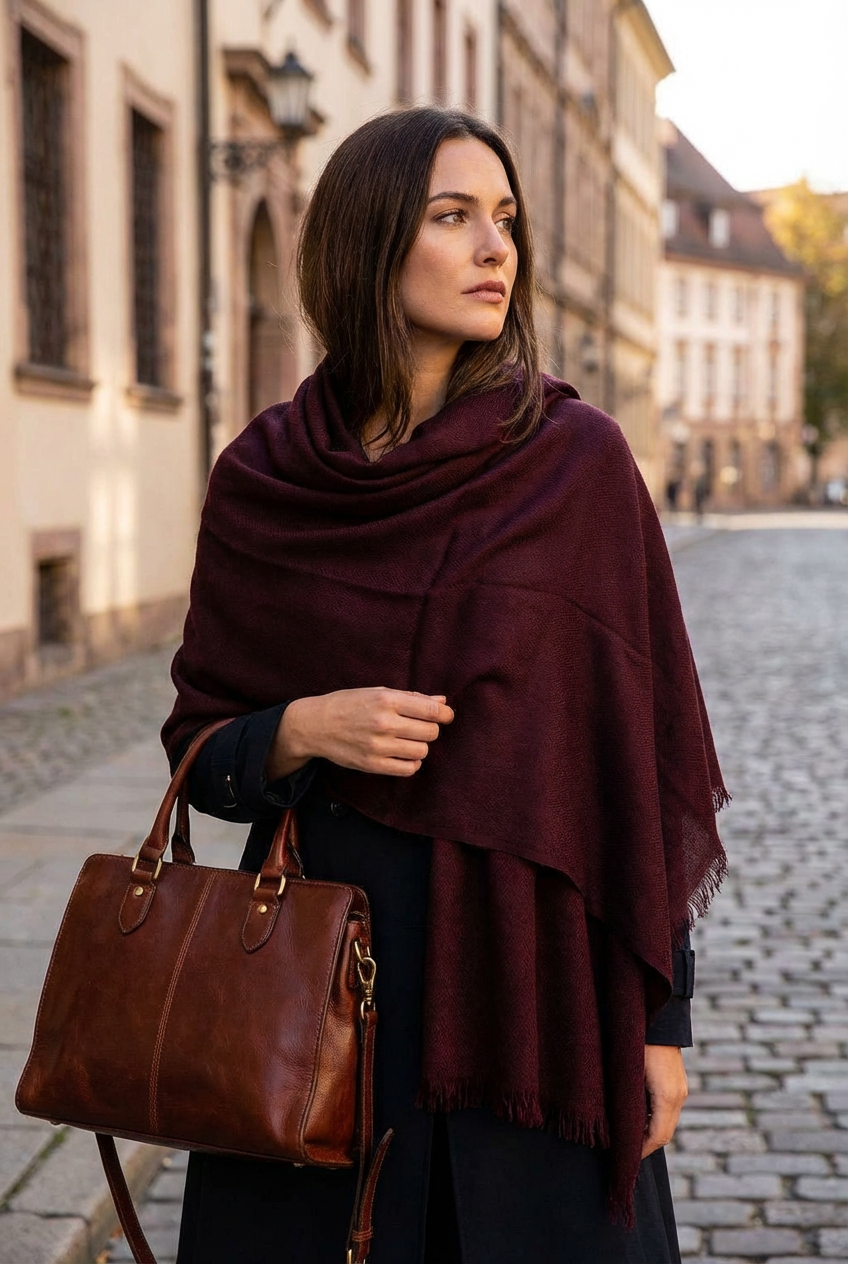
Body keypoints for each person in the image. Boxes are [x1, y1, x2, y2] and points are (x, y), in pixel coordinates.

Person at [162, 107, 728, 1264]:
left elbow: (642, 752)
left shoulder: (572, 465)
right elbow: (199, 749)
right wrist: (299, 728)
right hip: (322, 1012)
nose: (494, 250)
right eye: (451, 216)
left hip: (538, 1008)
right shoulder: (265, 478)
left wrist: (658, 1024)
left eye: (504, 220)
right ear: (369, 242)